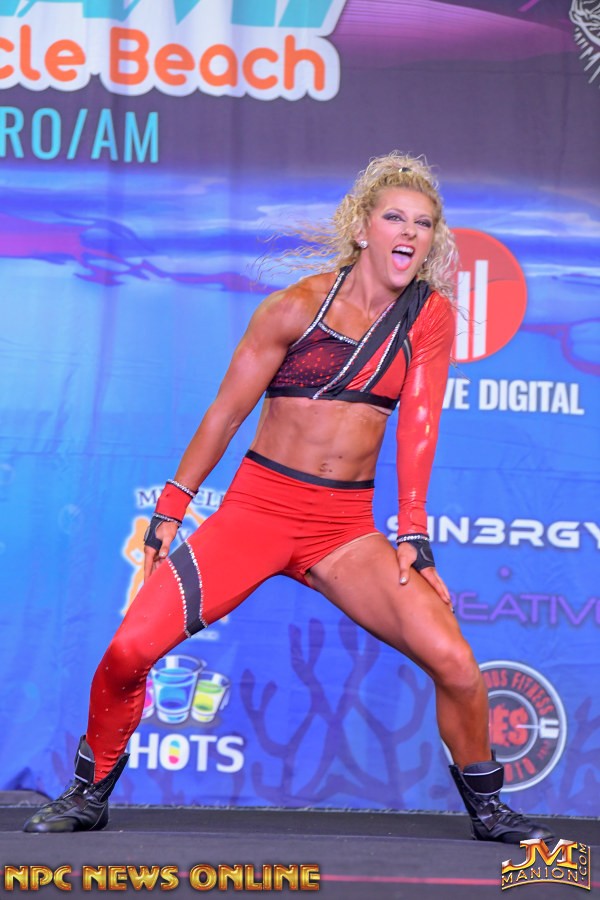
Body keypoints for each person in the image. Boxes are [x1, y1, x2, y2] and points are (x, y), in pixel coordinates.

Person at [24, 152, 552, 844]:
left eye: (423, 223)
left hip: (343, 530)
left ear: (432, 239)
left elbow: (420, 426)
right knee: (127, 652)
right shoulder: (296, 308)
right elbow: (224, 415)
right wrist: (171, 509)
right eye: (395, 217)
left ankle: (489, 810)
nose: (409, 232)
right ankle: (88, 793)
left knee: (455, 663)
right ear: (361, 228)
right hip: (256, 514)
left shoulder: (428, 317)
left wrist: (413, 534)